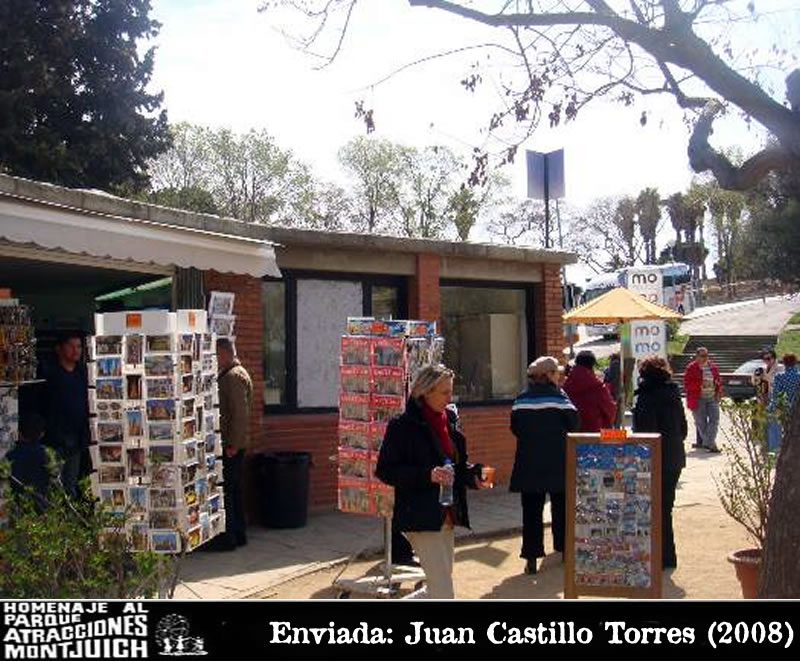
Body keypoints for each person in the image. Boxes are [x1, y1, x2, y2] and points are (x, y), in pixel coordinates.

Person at [376, 364, 488, 599]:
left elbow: (455, 465)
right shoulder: (402, 425)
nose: (450, 398)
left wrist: (473, 476)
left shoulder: (448, 420)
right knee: (443, 589)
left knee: (440, 581)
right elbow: (385, 470)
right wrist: (427, 475)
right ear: (425, 392)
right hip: (420, 513)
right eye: (445, 392)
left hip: (447, 511)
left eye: (450, 391)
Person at [509, 356, 579, 575]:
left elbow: (516, 428)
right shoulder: (560, 399)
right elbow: (574, 425)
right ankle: (564, 549)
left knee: (531, 512)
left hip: (528, 462)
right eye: (556, 372)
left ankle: (531, 556)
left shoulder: (520, 400)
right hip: (558, 462)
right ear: (549, 375)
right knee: (562, 508)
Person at [632, 356, 688, 569]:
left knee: (653, 509)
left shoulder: (645, 397)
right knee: (665, 507)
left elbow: (643, 432)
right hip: (674, 457)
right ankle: (667, 556)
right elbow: (683, 430)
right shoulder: (673, 394)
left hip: (652, 459)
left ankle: (656, 556)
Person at [213, 338, 253, 551]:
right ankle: (238, 533)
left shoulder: (232, 377)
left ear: (225, 353)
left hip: (231, 444)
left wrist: (234, 444)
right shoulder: (234, 374)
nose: (215, 360)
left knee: (229, 490)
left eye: (216, 355)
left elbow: (239, 414)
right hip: (233, 443)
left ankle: (230, 535)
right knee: (233, 490)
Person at [38, 331, 90, 498]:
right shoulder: (48, 373)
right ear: (59, 349)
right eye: (71, 346)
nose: (76, 351)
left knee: (71, 484)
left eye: (79, 346)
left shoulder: (83, 373)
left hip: (76, 439)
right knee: (53, 485)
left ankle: (70, 520)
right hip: (54, 439)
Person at [563, 350, 615, 432]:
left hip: (571, 434)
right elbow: (610, 410)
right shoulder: (598, 387)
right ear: (592, 365)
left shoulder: (565, 385)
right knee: (620, 437)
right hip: (594, 434)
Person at [7, 412, 51, 509]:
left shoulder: (11, 455)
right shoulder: (48, 455)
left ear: (19, 433)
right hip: (43, 506)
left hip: (18, 506)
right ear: (42, 434)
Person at [683, 347, 722, 452]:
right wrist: (699, 385)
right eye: (702, 356)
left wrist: (718, 392)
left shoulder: (712, 367)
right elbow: (686, 384)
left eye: (706, 355)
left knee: (715, 419)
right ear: (697, 356)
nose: (705, 358)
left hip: (712, 397)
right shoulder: (691, 368)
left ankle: (707, 443)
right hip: (698, 398)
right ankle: (711, 444)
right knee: (701, 422)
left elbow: (718, 380)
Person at [768, 353, 800, 450]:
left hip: (783, 407)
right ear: (795, 363)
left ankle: (775, 449)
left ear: (784, 363)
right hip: (797, 409)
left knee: (775, 428)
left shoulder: (779, 377)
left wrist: (771, 407)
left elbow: (776, 395)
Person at [603, 353, 624, 428]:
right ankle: (617, 432)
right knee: (618, 415)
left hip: (614, 392)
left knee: (613, 414)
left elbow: (611, 379)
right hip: (619, 392)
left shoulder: (615, 364)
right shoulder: (621, 365)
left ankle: (614, 433)